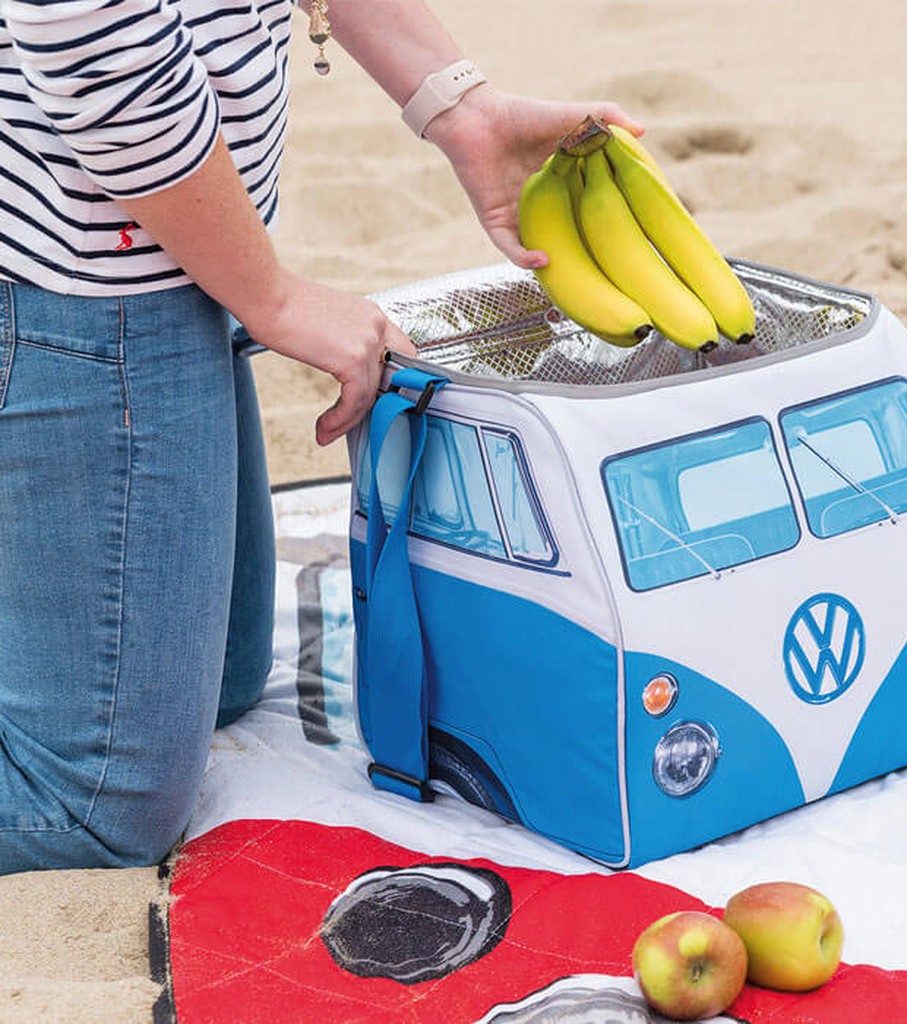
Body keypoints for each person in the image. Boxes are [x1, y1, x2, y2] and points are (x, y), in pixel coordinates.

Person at [0, 0, 638, 874]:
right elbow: (90, 38)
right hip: (74, 282)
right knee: (93, 800)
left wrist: (460, 106)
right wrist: (274, 299)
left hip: (176, 254)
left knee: (223, 677)